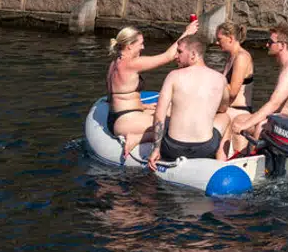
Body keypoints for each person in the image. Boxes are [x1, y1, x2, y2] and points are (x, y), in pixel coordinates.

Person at [105, 18, 199, 156]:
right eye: (141, 44)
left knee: (172, 110)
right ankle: (138, 138)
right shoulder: (131, 63)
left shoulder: (114, 63)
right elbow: (168, 56)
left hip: (119, 116)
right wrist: (187, 32)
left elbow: (113, 95)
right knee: (176, 125)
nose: (143, 47)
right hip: (125, 120)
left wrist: (141, 106)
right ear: (129, 46)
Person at [146, 35, 232, 169]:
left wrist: (156, 149)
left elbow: (159, 115)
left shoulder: (173, 76)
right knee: (225, 118)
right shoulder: (220, 79)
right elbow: (223, 108)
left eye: (180, 52)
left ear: (193, 54)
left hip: (172, 149)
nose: (176, 56)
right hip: (205, 149)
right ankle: (221, 157)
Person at [229, 24, 288, 156]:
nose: (267, 45)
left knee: (247, 123)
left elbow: (273, 104)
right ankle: (242, 156)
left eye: (270, 42)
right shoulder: (287, 66)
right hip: (287, 120)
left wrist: (246, 125)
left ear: (282, 45)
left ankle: (245, 161)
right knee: (244, 120)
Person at [216, 22, 255, 156]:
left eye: (219, 39)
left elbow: (232, 91)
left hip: (239, 111)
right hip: (228, 108)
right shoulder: (231, 57)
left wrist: (212, 79)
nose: (216, 42)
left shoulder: (242, 57)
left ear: (230, 38)